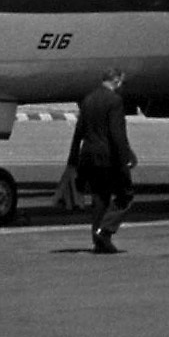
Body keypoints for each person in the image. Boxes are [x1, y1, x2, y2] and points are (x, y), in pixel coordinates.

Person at [66, 68, 136, 254]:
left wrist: (72, 159)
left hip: (87, 156)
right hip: (108, 157)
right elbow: (116, 133)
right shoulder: (115, 101)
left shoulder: (88, 99)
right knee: (125, 195)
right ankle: (105, 231)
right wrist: (126, 157)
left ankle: (98, 240)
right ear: (116, 81)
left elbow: (78, 131)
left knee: (100, 197)